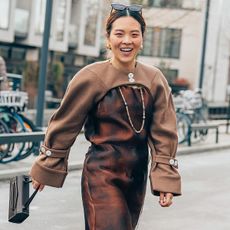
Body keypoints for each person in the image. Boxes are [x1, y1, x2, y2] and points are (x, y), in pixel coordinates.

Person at [30, 3, 181, 230]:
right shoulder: (91, 76)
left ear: (142, 39)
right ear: (108, 38)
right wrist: (46, 167)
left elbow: (164, 133)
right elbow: (65, 124)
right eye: (119, 34)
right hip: (101, 174)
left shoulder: (154, 79)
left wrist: (165, 180)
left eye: (134, 34)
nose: (127, 41)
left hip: (136, 178)